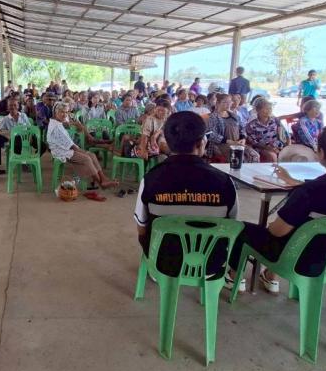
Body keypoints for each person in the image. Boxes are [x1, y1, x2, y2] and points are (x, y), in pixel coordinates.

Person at [228, 122, 326, 293]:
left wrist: (275, 222)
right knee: (301, 229)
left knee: (245, 229)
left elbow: (277, 232)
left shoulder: (311, 192)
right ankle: (270, 276)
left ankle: (235, 277)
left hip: (302, 262)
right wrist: (297, 184)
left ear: (321, 153)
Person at [134, 111, 239, 278]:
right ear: (202, 143)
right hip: (209, 266)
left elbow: (141, 229)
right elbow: (231, 226)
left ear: (167, 143)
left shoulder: (151, 179)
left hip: (163, 265)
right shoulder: (225, 182)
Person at [47, 102, 118, 190]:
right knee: (87, 158)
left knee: (92, 155)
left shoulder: (57, 121)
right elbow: (71, 146)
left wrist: (73, 124)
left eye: (66, 112)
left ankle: (103, 179)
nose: (65, 114)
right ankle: (101, 183)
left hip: (66, 148)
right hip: (61, 151)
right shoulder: (56, 127)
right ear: (56, 112)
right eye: (62, 112)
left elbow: (71, 129)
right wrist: (83, 152)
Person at [206, 93, 259, 163]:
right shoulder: (213, 117)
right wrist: (230, 142)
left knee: (255, 155)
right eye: (225, 102)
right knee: (238, 158)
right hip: (220, 144)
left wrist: (243, 138)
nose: (228, 104)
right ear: (218, 103)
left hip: (237, 143)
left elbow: (242, 129)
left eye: (230, 102)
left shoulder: (235, 116)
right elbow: (210, 135)